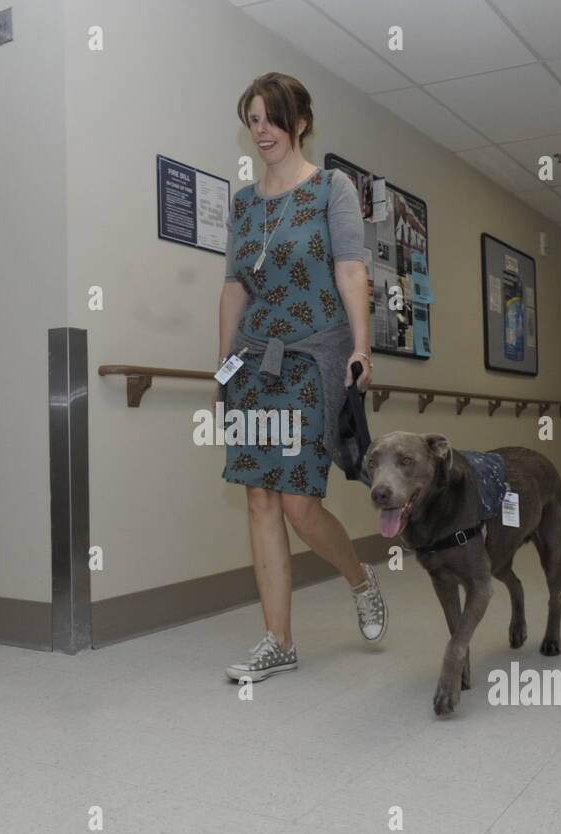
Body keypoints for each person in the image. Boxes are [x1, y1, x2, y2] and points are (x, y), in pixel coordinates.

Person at [215, 72, 384, 683]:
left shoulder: (331, 189)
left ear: (300, 122)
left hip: (314, 358)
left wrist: (361, 349)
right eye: (252, 118)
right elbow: (233, 289)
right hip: (254, 361)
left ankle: (360, 579)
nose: (261, 129)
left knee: (298, 503)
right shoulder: (242, 203)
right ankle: (277, 642)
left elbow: (350, 272)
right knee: (260, 498)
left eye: (271, 117)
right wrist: (222, 372)